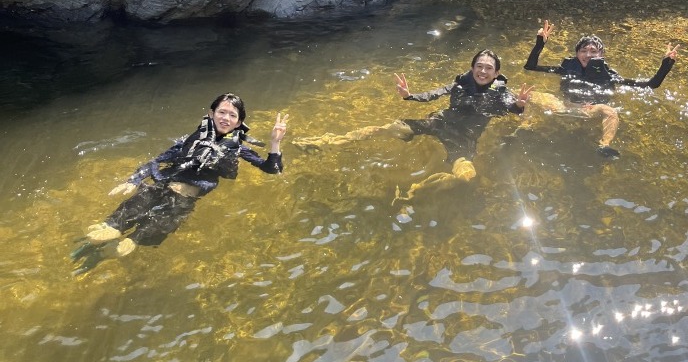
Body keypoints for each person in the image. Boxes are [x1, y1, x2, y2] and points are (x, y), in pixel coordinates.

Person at [71, 94, 287, 266]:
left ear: (239, 122)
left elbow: (273, 169)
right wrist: (134, 179)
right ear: (211, 114)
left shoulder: (238, 148)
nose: (225, 118)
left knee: (128, 246)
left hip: (181, 203)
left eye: (232, 115)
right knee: (108, 229)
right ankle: (84, 250)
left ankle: (98, 258)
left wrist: (275, 143)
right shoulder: (189, 140)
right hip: (157, 189)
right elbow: (159, 160)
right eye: (222, 112)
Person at [297, 50, 533, 204]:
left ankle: (418, 190)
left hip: (463, 138)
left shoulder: (501, 94)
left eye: (488, 68)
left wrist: (520, 106)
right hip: (439, 122)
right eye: (479, 66)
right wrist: (410, 96)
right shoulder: (460, 84)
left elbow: (511, 109)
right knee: (387, 128)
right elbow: (435, 94)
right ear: (472, 68)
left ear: (497, 73)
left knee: (466, 177)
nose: (483, 71)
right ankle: (330, 142)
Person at [523, 20, 678, 157]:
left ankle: (604, 145)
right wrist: (540, 43)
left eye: (593, 51)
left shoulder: (609, 75)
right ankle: (524, 128)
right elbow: (530, 67)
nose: (588, 55)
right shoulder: (567, 68)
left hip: (590, 110)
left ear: (601, 54)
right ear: (577, 53)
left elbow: (650, 85)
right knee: (527, 94)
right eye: (583, 51)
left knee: (610, 111)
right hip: (563, 105)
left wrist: (666, 65)